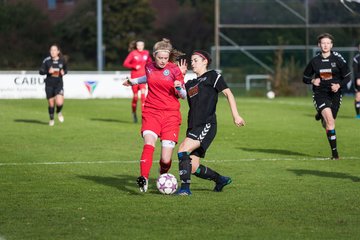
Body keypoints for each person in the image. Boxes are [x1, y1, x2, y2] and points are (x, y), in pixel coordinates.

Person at [176, 50, 246, 196]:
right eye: (192, 60)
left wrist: (236, 115)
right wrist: (180, 76)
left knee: (182, 150)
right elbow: (179, 94)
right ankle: (220, 179)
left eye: (195, 60)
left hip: (206, 124)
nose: (192, 63)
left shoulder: (212, 75)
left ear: (205, 61)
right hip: (193, 126)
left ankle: (184, 189)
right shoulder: (190, 83)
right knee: (193, 167)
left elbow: (228, 93)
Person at [123, 38, 187, 193]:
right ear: (154, 56)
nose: (163, 61)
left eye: (165, 58)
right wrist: (133, 81)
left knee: (165, 159)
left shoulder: (174, 70)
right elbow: (149, 77)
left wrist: (179, 88)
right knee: (149, 143)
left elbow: (184, 95)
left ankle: (163, 174)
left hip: (171, 115)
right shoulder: (149, 66)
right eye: (160, 58)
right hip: (151, 112)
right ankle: (143, 178)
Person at [303, 33, 351, 160]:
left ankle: (321, 115)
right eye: (323, 43)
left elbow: (347, 77)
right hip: (320, 94)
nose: (325, 45)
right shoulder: (315, 61)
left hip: (335, 94)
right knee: (330, 122)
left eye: (328, 43)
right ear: (319, 45)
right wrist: (312, 81)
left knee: (329, 123)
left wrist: (338, 85)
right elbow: (305, 78)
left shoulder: (338, 60)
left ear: (331, 45)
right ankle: (335, 154)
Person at [123, 40, 152, 123]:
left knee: (143, 97)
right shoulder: (133, 53)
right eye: (138, 45)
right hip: (134, 79)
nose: (140, 47)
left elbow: (150, 62)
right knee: (135, 97)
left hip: (143, 78)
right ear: (136, 46)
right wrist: (134, 66)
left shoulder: (146, 53)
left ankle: (144, 117)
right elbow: (125, 63)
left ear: (143, 46)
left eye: (141, 45)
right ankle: (134, 113)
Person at [39, 44, 68, 126]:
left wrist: (64, 72)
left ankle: (59, 111)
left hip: (58, 84)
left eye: (54, 50)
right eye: (51, 50)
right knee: (51, 104)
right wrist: (48, 71)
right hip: (49, 85)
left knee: (59, 103)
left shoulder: (62, 60)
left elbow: (66, 69)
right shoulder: (46, 61)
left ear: (58, 51)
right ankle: (51, 119)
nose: (52, 52)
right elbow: (41, 71)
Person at [352, 43, 360, 118]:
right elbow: (355, 70)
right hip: (358, 80)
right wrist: (358, 78)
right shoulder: (356, 58)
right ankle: (358, 114)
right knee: (358, 97)